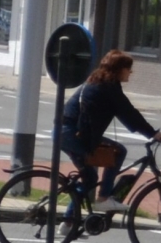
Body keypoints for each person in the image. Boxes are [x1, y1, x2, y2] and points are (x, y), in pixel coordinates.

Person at [60, 49, 154, 206]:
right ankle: (103, 198)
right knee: (119, 152)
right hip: (73, 134)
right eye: (128, 68)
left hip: (65, 132)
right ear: (119, 69)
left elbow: (126, 113)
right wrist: (154, 134)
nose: (130, 72)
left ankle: (69, 222)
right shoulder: (109, 88)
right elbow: (129, 113)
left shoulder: (96, 81)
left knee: (90, 178)